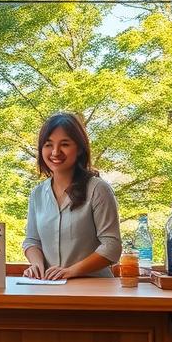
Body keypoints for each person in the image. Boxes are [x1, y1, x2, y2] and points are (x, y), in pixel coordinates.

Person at [22, 112, 121, 280]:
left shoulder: (98, 189)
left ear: (80, 148)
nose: (55, 152)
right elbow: (32, 241)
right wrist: (37, 265)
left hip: (95, 290)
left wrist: (72, 271)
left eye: (65, 144)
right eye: (48, 144)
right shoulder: (37, 194)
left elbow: (112, 247)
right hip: (51, 290)